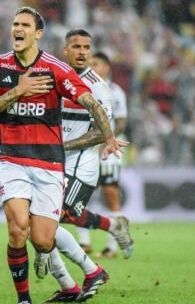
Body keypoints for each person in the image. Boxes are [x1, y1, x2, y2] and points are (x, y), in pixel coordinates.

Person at [0, 6, 125, 304]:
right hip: (14, 160)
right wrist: (19, 90)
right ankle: (24, 300)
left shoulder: (56, 68)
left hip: (49, 164)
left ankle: (80, 277)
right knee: (18, 229)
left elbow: (90, 101)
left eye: (25, 25)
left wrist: (108, 135)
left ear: (38, 34)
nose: (17, 29)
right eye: (15, 24)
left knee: (43, 240)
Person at [45, 29, 131, 302]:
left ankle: (85, 274)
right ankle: (112, 227)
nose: (82, 52)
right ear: (65, 49)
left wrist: (63, 146)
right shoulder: (54, 77)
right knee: (50, 219)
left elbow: (103, 132)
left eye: (86, 47)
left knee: (49, 221)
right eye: (76, 46)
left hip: (82, 163)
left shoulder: (97, 86)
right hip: (53, 160)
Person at [73, 51, 132, 258]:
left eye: (96, 63)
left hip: (109, 151)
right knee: (79, 196)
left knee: (111, 195)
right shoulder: (83, 88)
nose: (92, 66)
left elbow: (122, 121)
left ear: (107, 67)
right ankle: (84, 242)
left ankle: (111, 247)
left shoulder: (115, 91)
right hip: (87, 148)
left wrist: (107, 138)